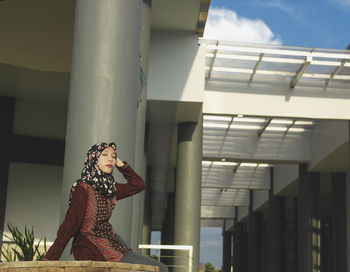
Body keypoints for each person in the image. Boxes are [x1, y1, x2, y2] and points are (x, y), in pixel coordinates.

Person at [43, 142, 168, 272]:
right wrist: (49, 259)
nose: (110, 159)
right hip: (92, 248)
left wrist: (121, 165)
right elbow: (69, 226)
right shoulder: (83, 189)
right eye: (104, 155)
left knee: (162, 268)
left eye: (114, 156)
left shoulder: (110, 188)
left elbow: (139, 184)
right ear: (93, 158)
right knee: (160, 269)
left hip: (114, 243)